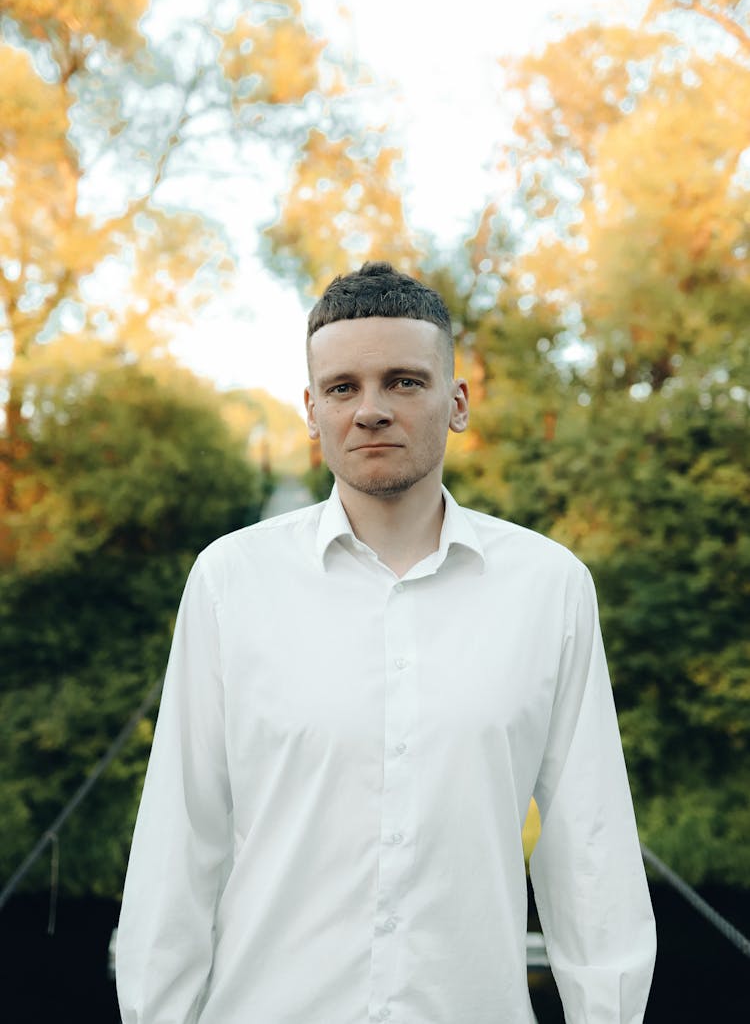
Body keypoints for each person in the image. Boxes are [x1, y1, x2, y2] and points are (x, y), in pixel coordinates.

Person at [116, 261, 656, 1024]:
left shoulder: (551, 589)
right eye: (343, 387)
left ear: (457, 401)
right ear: (312, 410)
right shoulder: (228, 582)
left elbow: (591, 852)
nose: (371, 409)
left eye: (404, 381)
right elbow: (180, 842)